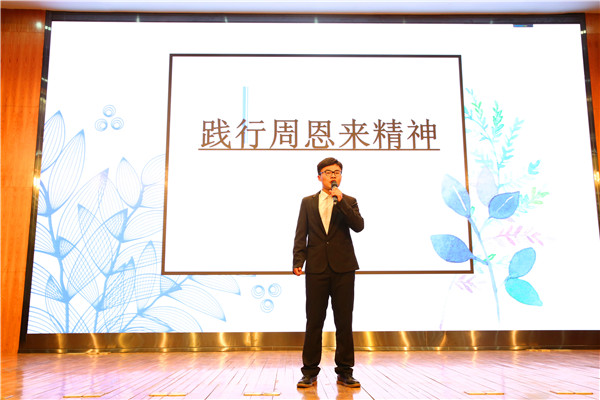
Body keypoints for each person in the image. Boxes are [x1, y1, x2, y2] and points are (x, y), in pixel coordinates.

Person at [293, 157, 364, 389]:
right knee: (314, 321)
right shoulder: (307, 202)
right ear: (319, 176)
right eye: (328, 172)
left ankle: (345, 371)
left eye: (337, 172)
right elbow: (301, 233)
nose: (333, 175)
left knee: (344, 321)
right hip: (316, 269)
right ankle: (309, 372)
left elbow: (358, 226)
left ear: (341, 176)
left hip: (344, 268)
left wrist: (341, 202)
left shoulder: (349, 201)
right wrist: (298, 260)